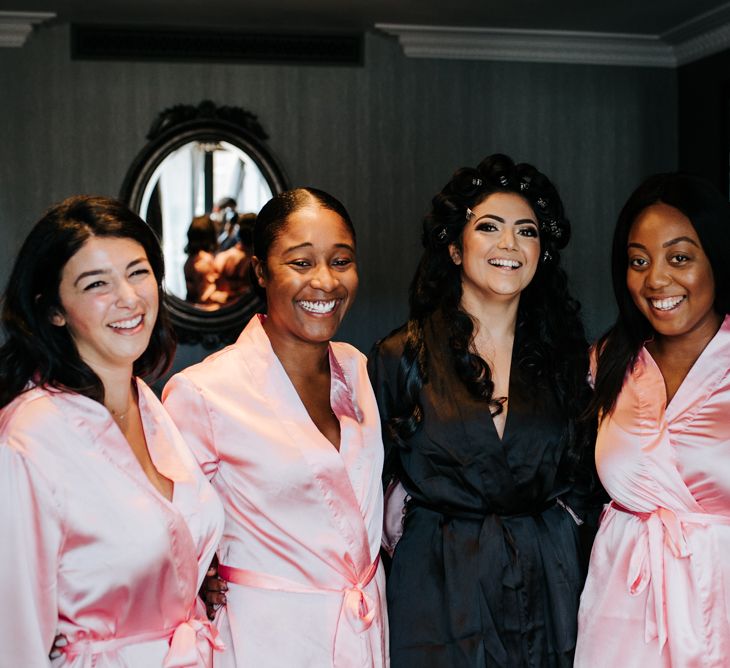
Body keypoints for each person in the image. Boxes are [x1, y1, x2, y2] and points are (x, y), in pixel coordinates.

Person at [368, 154, 599, 667]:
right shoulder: (401, 356)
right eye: (489, 227)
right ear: (454, 247)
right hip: (436, 589)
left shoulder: (567, 358)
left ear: (543, 252)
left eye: (526, 231)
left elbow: (588, 477)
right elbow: (362, 483)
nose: (509, 245)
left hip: (546, 585)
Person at [163, 188, 388, 667]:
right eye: (301, 263)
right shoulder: (202, 393)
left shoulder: (361, 370)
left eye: (341, 260)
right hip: (266, 638)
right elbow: (165, 538)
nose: (325, 282)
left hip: (364, 628)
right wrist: (199, 571)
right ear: (261, 270)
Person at [0, 195, 224, 666]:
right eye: (97, 283)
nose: (128, 297)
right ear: (53, 310)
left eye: (138, 272)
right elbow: (13, 639)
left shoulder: (150, 404)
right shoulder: (29, 440)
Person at [574, 173, 730, 667]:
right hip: (622, 616)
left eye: (679, 257)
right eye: (639, 261)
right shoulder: (606, 362)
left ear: (717, 260)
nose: (656, 279)